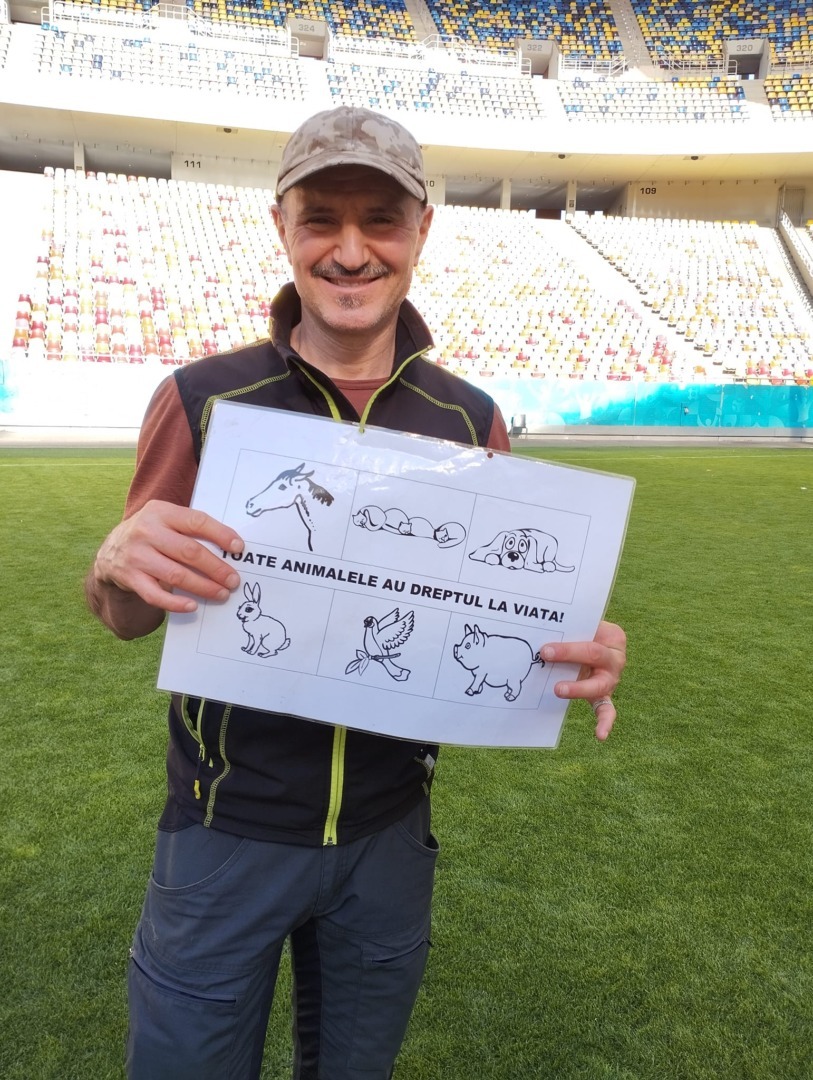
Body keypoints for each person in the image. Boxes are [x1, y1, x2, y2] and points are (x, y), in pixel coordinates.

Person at [86, 106, 627, 1080]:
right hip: (225, 831)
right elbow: (125, 616)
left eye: (379, 220)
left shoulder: (470, 417)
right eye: (320, 219)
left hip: (390, 840)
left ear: (421, 231)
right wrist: (112, 565)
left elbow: (500, 620)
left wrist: (572, 648)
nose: (348, 251)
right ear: (281, 228)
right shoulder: (204, 398)